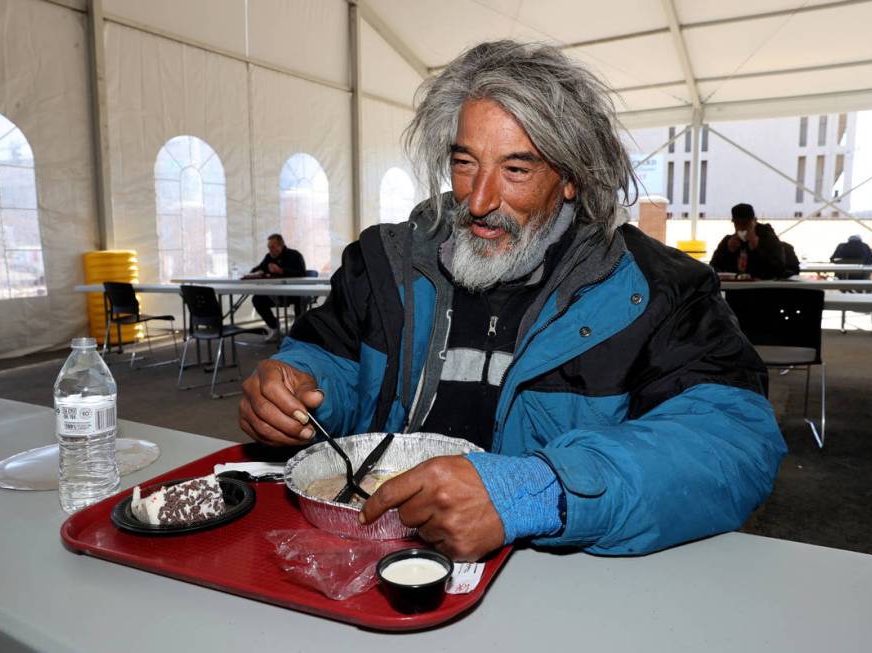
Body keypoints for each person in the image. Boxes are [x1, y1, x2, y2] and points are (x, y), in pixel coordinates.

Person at [239, 41, 786, 561]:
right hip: (371, 555)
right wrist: (293, 386)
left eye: (517, 169)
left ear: (571, 178)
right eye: (465, 162)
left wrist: (537, 493)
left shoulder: (660, 292)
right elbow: (329, 359)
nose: (478, 200)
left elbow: (733, 444)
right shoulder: (383, 263)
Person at [245, 234, 307, 338]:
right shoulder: (269, 257)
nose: (270, 250)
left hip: (294, 292)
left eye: (272, 247)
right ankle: (274, 327)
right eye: (269, 247)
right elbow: (256, 269)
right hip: (277, 293)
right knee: (257, 299)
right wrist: (258, 272)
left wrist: (280, 270)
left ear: (281, 245)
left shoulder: (294, 255)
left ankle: (299, 332)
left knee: (300, 299)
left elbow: (301, 274)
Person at [710, 203, 788, 279]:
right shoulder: (729, 241)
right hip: (735, 288)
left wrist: (756, 250)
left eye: (745, 224)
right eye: (737, 224)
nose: (741, 228)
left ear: (754, 221)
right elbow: (713, 268)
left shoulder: (768, 239)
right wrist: (729, 251)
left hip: (763, 288)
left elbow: (779, 269)